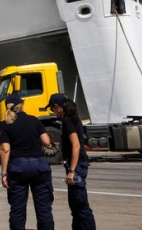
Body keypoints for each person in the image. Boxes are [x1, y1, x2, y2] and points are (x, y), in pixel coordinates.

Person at [0, 93, 54, 230]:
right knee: (44, 209)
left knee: (17, 209)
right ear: (21, 105)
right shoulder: (34, 120)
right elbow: (46, 142)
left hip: (18, 167)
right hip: (39, 166)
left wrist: (4, 173)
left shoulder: (5, 125)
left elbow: (5, 149)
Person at [47, 93, 96, 230]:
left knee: (81, 206)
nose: (53, 112)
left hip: (77, 167)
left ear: (57, 107)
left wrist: (72, 171)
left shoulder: (67, 121)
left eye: (52, 109)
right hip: (78, 165)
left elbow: (76, 145)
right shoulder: (73, 118)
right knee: (75, 206)